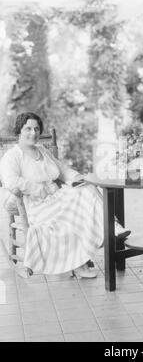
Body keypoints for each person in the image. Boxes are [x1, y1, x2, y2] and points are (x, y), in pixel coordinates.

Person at [0, 112, 130, 278]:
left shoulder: (42, 151)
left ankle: (110, 227)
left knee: (87, 188)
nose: (33, 133)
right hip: (36, 205)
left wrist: (78, 178)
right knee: (78, 208)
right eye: (28, 129)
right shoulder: (12, 156)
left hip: (56, 198)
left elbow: (62, 170)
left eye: (37, 129)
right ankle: (109, 230)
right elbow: (11, 181)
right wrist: (38, 189)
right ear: (19, 130)